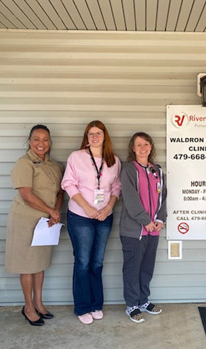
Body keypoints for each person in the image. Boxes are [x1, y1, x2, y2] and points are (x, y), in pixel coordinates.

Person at [61, 120, 121, 325]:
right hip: (80, 216)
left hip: (104, 216)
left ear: (105, 136)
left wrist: (108, 208)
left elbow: (116, 188)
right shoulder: (76, 157)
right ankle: (82, 307)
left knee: (97, 262)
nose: (94, 137)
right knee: (83, 262)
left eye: (98, 133)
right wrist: (87, 208)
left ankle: (96, 304)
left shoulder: (113, 160)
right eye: (90, 133)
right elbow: (68, 184)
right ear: (86, 137)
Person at [5, 124, 64, 326]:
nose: (41, 143)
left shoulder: (55, 166)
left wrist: (55, 213)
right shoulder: (24, 163)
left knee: (39, 265)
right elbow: (26, 194)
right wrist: (52, 211)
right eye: (36, 139)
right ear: (29, 142)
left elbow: (60, 193)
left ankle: (39, 303)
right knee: (27, 266)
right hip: (25, 219)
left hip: (46, 222)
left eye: (45, 139)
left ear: (50, 143)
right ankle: (28, 307)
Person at [119, 132, 167, 323]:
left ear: (151, 147)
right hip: (134, 230)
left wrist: (160, 220)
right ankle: (132, 304)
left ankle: (143, 300)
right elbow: (130, 199)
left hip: (153, 229)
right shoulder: (129, 170)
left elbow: (163, 197)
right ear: (133, 148)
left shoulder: (158, 170)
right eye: (138, 144)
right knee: (132, 267)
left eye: (146, 144)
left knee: (147, 267)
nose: (143, 148)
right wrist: (145, 220)